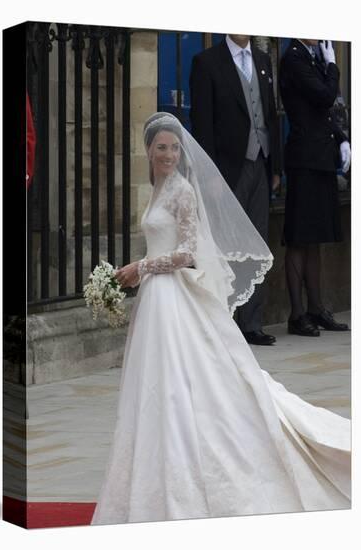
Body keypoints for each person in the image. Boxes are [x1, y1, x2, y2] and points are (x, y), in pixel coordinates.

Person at [90, 112, 350, 526]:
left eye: (175, 147)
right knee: (155, 385)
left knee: (185, 383)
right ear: (148, 151)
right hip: (156, 301)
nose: (170, 154)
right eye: (162, 147)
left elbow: (189, 253)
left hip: (172, 295)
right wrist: (139, 272)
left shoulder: (182, 192)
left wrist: (141, 266)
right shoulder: (155, 191)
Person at [189, 34, 280, 346]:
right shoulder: (206, 62)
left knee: (256, 244)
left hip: (261, 163)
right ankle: (222, 321)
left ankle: (252, 323)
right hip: (227, 169)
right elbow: (201, 121)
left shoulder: (264, 60)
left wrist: (276, 167)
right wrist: (209, 172)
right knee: (225, 245)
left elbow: (270, 114)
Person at [280, 39, 351, 336]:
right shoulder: (295, 58)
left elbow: (325, 112)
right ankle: (297, 313)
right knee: (300, 237)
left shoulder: (313, 57)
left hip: (321, 156)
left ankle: (316, 308)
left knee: (316, 236)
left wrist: (341, 137)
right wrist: (333, 66)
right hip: (305, 158)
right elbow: (324, 97)